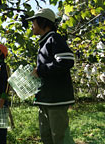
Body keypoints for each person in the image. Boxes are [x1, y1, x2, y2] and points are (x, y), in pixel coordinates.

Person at [26, 8, 75, 144]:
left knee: (60, 137)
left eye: (34, 22)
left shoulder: (54, 38)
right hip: (46, 99)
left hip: (56, 99)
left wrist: (40, 70)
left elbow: (66, 61)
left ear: (43, 22)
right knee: (46, 136)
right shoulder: (44, 43)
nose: (32, 26)